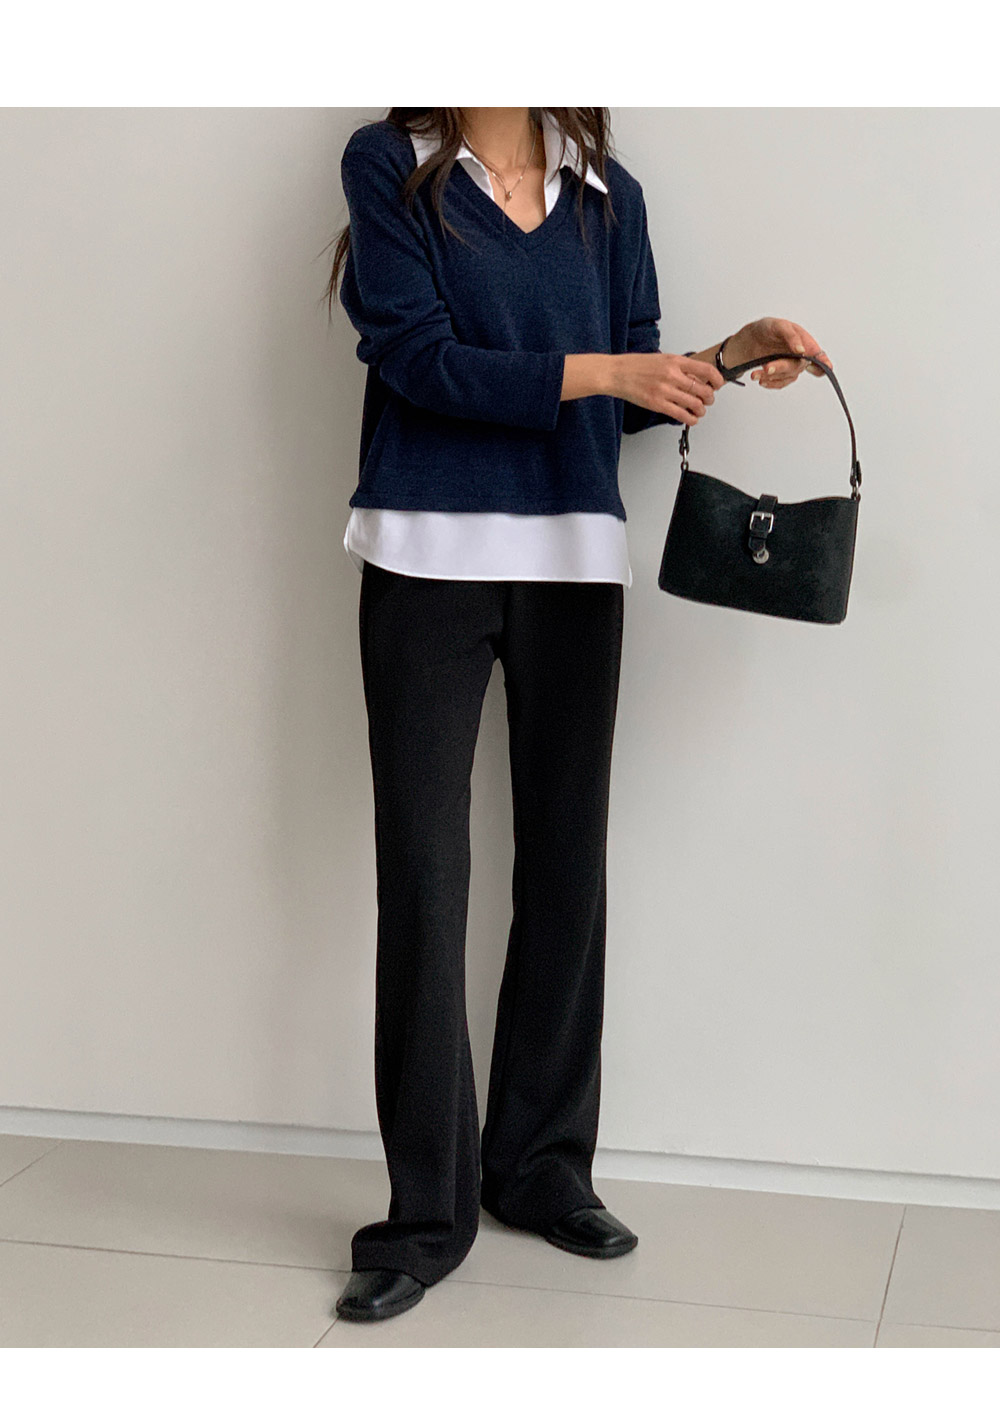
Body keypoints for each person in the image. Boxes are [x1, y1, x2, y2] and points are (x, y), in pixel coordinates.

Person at [322, 107, 832, 1323]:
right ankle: (424, 1216)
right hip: (424, 559)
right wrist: (603, 369)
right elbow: (417, 358)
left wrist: (724, 358)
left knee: (566, 871)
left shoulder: (611, 196)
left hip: (573, 565)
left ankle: (540, 1168)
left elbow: (627, 397)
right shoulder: (388, 165)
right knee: (425, 877)